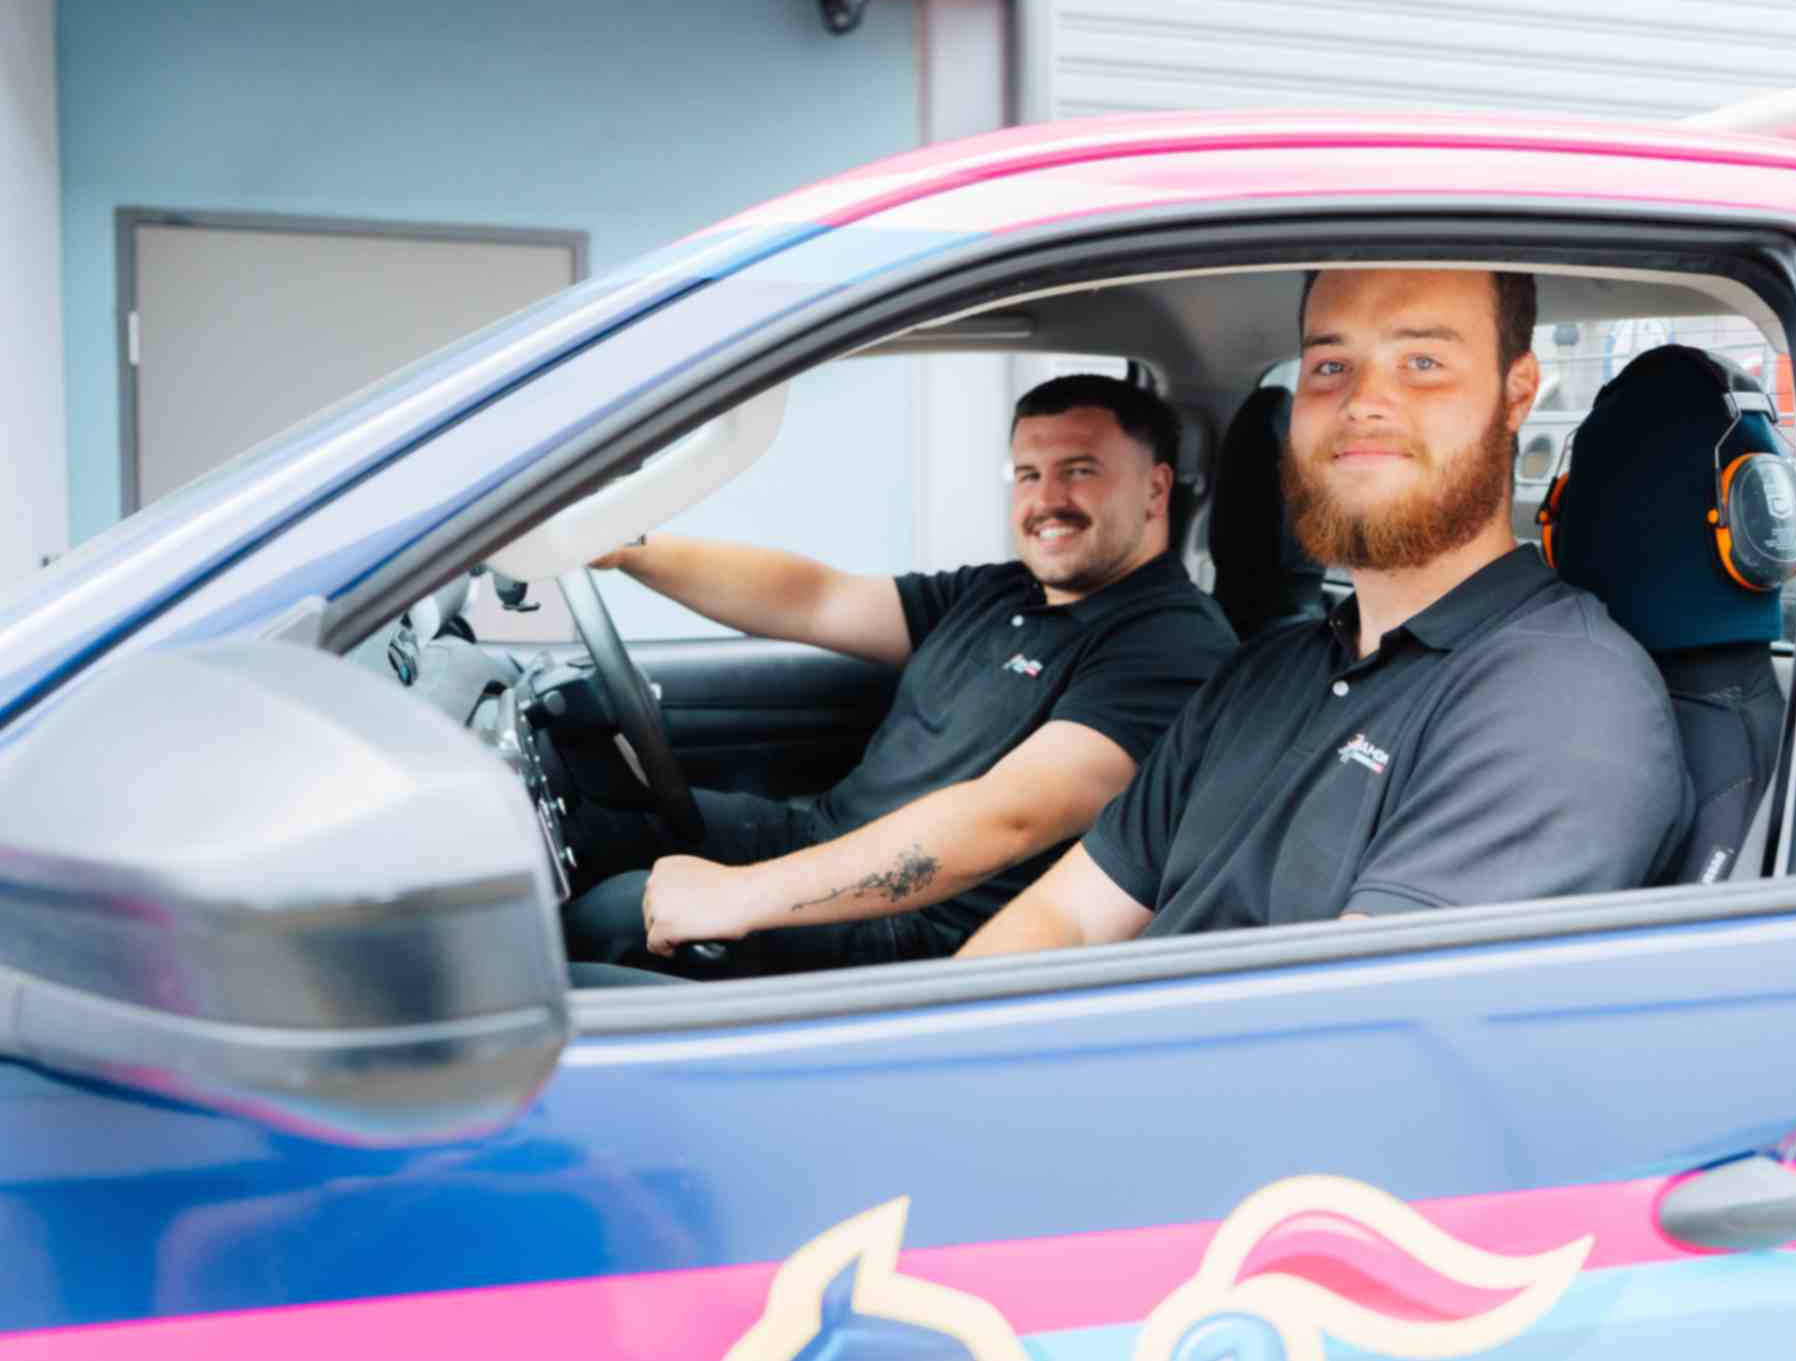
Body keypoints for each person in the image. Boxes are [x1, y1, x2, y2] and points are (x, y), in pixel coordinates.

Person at [958, 267, 1692, 958]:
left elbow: (1341, 1049)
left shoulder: (1564, 699)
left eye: (1423, 362)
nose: (1362, 402)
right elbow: (1073, 914)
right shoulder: (1264, 671)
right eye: (1330, 366)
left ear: (1517, 391)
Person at [564, 374, 1236, 979]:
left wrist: (743, 894)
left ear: (1155, 489)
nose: (1047, 499)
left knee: (619, 920)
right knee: (588, 812)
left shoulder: (1172, 643)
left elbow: (1009, 816)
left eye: (1079, 471)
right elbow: (815, 597)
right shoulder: (1003, 590)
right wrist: (625, 546)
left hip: (922, 928)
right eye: (1028, 474)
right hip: (824, 841)